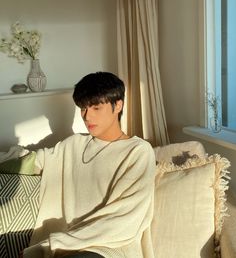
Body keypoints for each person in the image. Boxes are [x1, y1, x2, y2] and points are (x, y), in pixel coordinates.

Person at [22, 71, 156, 258]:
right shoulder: (73, 145)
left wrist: (57, 242)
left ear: (118, 105)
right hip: (69, 248)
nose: (87, 117)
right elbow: (30, 160)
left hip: (111, 248)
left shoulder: (138, 151)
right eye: (83, 108)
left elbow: (125, 218)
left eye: (95, 108)